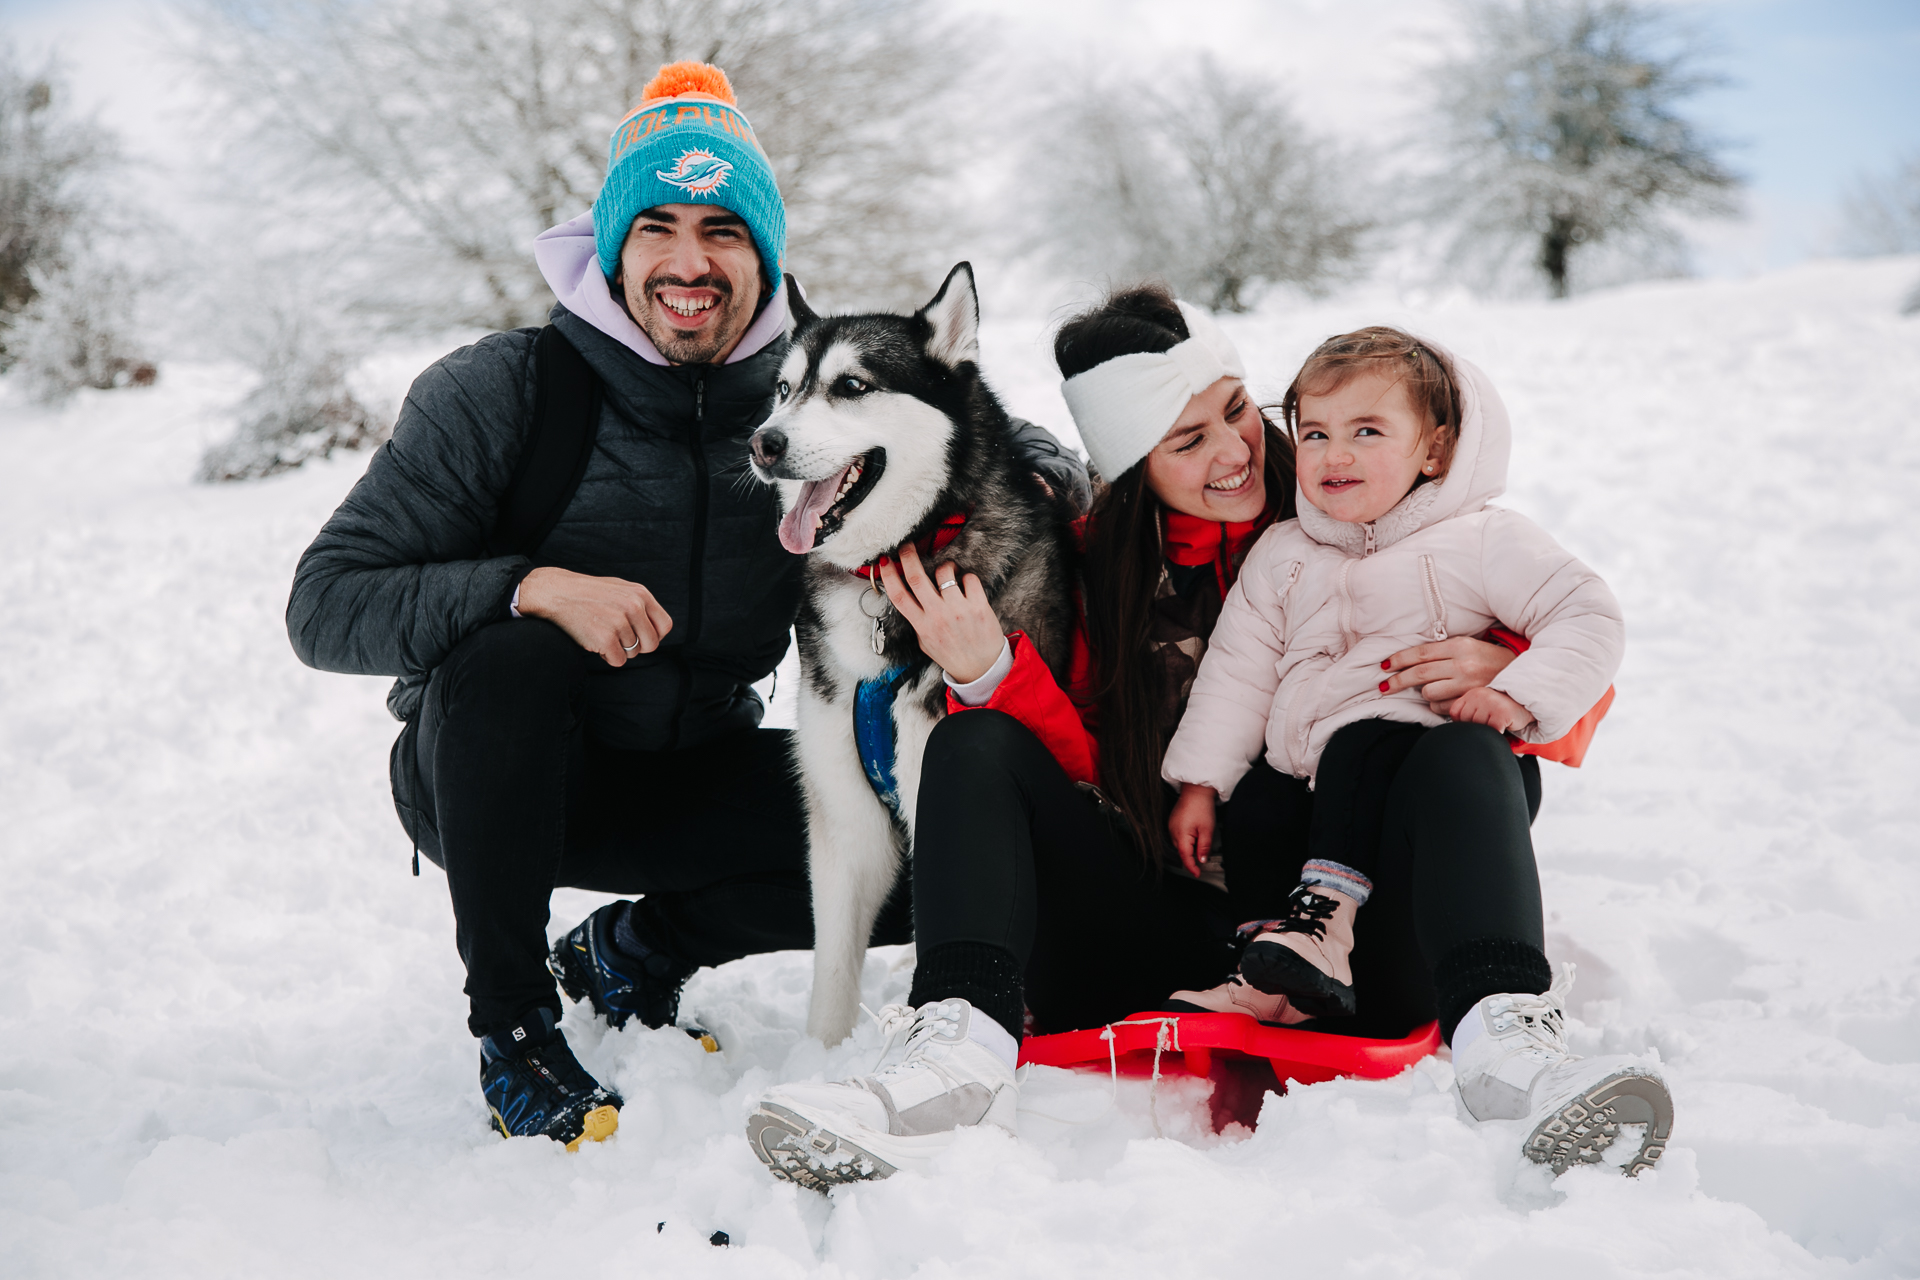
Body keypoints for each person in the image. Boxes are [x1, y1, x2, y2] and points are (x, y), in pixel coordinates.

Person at [285, 61, 1085, 1152]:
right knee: (510, 657)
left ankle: (640, 946)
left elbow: (941, 420)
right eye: (657, 226)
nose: (689, 261)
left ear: (762, 256)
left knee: (912, 851)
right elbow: (323, 603)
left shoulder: (790, 408)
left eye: (723, 230)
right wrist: (532, 586)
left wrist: (1048, 465)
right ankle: (515, 1027)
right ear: (615, 250)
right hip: (491, 772)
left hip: (686, 769)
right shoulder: (504, 389)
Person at [750, 286, 1665, 1186]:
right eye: (1187, 441)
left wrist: (1500, 667)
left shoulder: (1377, 503)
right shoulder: (1094, 567)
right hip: (1162, 926)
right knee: (970, 742)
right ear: (1137, 464)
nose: (1235, 451)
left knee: (1470, 751)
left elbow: (1574, 681)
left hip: (1362, 942)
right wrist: (990, 672)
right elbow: (1082, 782)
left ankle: (1511, 1051)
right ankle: (953, 1055)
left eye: (1235, 410)